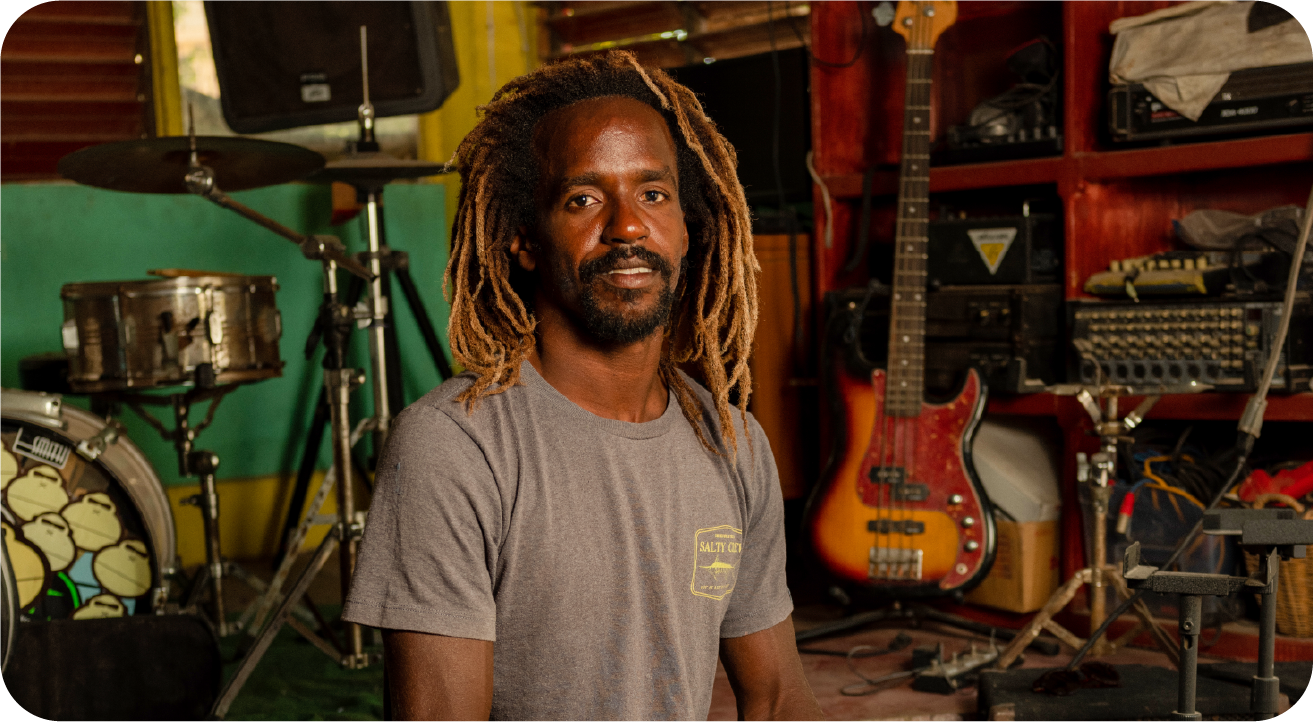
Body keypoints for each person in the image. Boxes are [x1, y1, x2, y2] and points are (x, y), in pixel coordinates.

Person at [342, 50, 824, 721]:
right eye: (583, 199)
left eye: (653, 195)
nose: (628, 227)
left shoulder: (733, 444)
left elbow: (776, 699)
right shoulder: (454, 447)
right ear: (524, 241)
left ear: (686, 229)